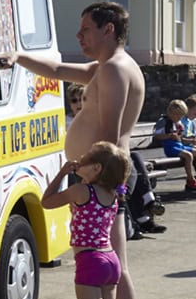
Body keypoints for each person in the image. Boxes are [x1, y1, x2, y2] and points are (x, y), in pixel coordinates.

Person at [0, 1, 144, 299]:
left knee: (114, 271)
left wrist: (93, 188)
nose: (79, 37)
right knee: (111, 269)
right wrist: (17, 58)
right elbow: (56, 70)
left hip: (103, 182)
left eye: (86, 30)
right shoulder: (107, 69)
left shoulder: (114, 71)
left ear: (109, 30)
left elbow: (108, 137)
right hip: (100, 180)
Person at [41, 141, 130, 299]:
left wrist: (61, 173)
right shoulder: (113, 194)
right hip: (110, 259)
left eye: (86, 158)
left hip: (90, 262)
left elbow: (46, 202)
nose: (80, 159)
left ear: (97, 168)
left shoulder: (81, 190)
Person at [70, 83, 164, 235]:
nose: (79, 104)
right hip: (86, 168)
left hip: (102, 164)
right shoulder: (70, 123)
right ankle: (142, 209)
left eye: (83, 99)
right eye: (74, 101)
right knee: (127, 169)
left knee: (133, 159)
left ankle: (137, 208)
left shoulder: (96, 120)